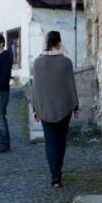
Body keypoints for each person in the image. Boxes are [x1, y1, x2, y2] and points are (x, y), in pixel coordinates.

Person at [32, 31, 80, 188]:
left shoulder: (38, 62)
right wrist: (75, 106)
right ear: (59, 42)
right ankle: (58, 172)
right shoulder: (66, 62)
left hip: (45, 107)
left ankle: (55, 176)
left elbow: (36, 88)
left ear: (46, 42)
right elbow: (70, 85)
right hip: (63, 107)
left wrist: (35, 109)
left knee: (50, 141)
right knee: (61, 141)